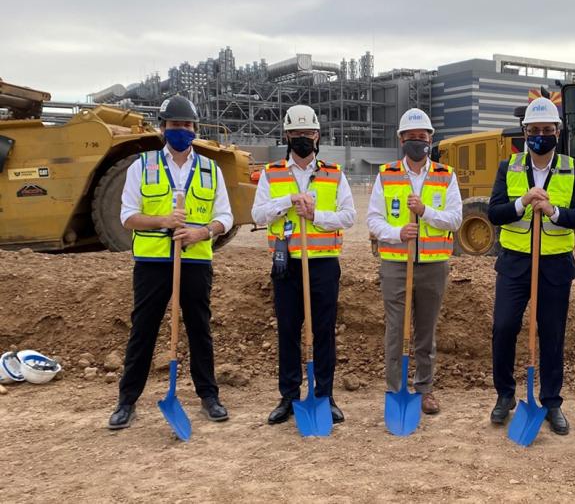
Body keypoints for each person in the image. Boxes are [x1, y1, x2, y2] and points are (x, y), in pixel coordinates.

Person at [108, 95, 233, 430]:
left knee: (199, 328)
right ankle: (126, 401)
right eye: (177, 125)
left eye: (188, 125)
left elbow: (226, 217)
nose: (183, 130)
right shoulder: (142, 166)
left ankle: (209, 396)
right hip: (152, 262)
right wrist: (163, 220)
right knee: (143, 329)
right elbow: (127, 217)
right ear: (164, 128)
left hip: (194, 261)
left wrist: (202, 232)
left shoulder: (210, 169)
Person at [487, 97, 575, 435]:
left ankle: (551, 401)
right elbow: (495, 213)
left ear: (557, 132)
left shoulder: (574, 169)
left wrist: (553, 212)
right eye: (534, 130)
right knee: (503, 328)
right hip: (515, 263)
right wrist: (521, 203)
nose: (540, 135)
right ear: (524, 132)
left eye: (547, 130)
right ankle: (505, 395)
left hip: (555, 265)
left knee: (552, 334)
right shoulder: (510, 167)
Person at [251, 105, 356, 425]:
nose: (302, 140)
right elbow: (257, 215)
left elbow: (349, 216)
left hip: (323, 263)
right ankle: (288, 396)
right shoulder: (271, 173)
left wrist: (316, 217)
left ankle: (325, 394)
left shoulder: (334, 173)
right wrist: (288, 202)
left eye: (307, 134)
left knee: (323, 330)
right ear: (286, 136)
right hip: (287, 264)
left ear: (318, 136)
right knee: (287, 329)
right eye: (296, 135)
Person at [367, 108, 463, 414]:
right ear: (401, 140)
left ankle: (424, 389)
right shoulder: (386, 174)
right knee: (396, 329)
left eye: (422, 137)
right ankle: (396, 389)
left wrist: (425, 212)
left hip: (434, 264)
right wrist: (398, 232)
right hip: (395, 263)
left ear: (431, 139)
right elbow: (373, 220)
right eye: (410, 138)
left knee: (425, 331)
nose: (416, 142)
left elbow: (455, 219)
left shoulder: (446, 175)